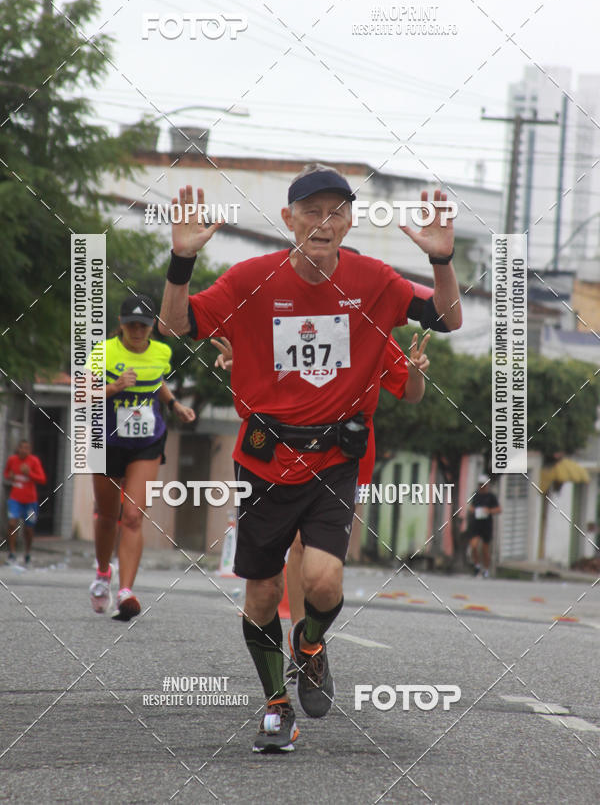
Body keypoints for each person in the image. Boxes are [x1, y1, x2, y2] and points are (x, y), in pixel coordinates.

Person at [159, 164, 461, 753]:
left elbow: (448, 318)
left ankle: (311, 645)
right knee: (263, 595)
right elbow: (175, 324)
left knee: (322, 580)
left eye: (336, 211)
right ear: (289, 219)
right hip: (265, 459)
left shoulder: (375, 280)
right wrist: (181, 261)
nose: (324, 223)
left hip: (333, 458)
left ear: (349, 221)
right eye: (312, 211)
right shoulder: (251, 278)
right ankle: (276, 705)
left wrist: (442, 262)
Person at [212, 330, 432, 683]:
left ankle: (308, 641)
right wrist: (243, 365)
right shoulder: (289, 317)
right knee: (293, 548)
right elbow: (267, 371)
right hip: (286, 454)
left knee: (312, 553)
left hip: (340, 455)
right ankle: (302, 643)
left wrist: (417, 370)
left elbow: (410, 392)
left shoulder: (367, 324)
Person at [86, 293, 195, 620]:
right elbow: (84, 393)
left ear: (152, 327)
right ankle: (104, 573)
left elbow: (156, 380)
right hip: (105, 440)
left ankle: (126, 590)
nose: (137, 330)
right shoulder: (102, 351)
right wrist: (114, 387)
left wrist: (174, 404)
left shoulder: (162, 352)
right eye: (131, 324)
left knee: (132, 516)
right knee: (107, 516)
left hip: (146, 441)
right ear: (120, 324)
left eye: (144, 325)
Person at [4, 439, 47, 566]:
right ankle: (11, 553)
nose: (24, 450)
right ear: (18, 449)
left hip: (30, 501)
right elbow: (6, 473)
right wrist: (10, 476)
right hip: (15, 499)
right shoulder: (12, 460)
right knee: (12, 524)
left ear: (30, 450)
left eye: (26, 448)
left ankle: (27, 553)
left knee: (28, 529)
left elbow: (42, 479)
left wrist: (30, 473)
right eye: (21, 448)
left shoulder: (34, 461)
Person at [466, 474, 501, 578]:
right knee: (474, 546)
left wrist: (489, 511)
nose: (481, 486)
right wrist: (472, 510)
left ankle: (486, 569)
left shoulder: (491, 497)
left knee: (485, 550)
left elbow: (498, 509)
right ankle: (477, 565)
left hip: (486, 525)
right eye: (480, 484)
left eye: (483, 484)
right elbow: (471, 507)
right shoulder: (475, 495)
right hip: (476, 524)